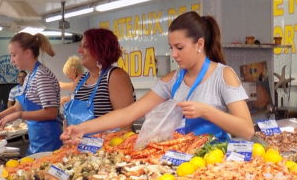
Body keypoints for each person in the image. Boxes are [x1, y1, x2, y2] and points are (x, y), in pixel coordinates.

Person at [61, 11, 253, 142]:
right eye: (171, 48)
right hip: (178, 161)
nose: (174, 54)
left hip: (214, 163)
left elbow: (246, 129)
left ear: (199, 44)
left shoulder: (223, 75)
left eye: (179, 47)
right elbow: (128, 113)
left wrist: (206, 111)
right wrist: (83, 128)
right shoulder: (173, 79)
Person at [0, 33, 62, 153]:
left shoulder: (41, 75)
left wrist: (20, 115)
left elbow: (51, 113)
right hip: (36, 140)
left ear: (27, 53)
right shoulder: (29, 77)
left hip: (48, 142)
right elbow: (17, 107)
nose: (12, 61)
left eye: (14, 55)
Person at [62, 28, 135, 127]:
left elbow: (125, 123)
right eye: (80, 46)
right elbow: (69, 120)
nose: (79, 51)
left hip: (107, 142)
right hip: (77, 142)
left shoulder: (115, 76)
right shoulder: (80, 80)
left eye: (85, 46)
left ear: (100, 49)